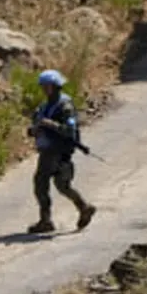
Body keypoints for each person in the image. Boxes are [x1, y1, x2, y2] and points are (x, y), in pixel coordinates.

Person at [26, 69, 96, 234]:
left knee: (41, 184)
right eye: (43, 86)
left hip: (56, 151)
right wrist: (34, 129)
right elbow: (33, 126)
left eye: (47, 86)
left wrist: (49, 124)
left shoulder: (64, 107)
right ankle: (83, 207)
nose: (44, 89)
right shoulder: (44, 106)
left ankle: (46, 220)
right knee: (62, 186)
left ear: (56, 87)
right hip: (48, 149)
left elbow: (68, 131)